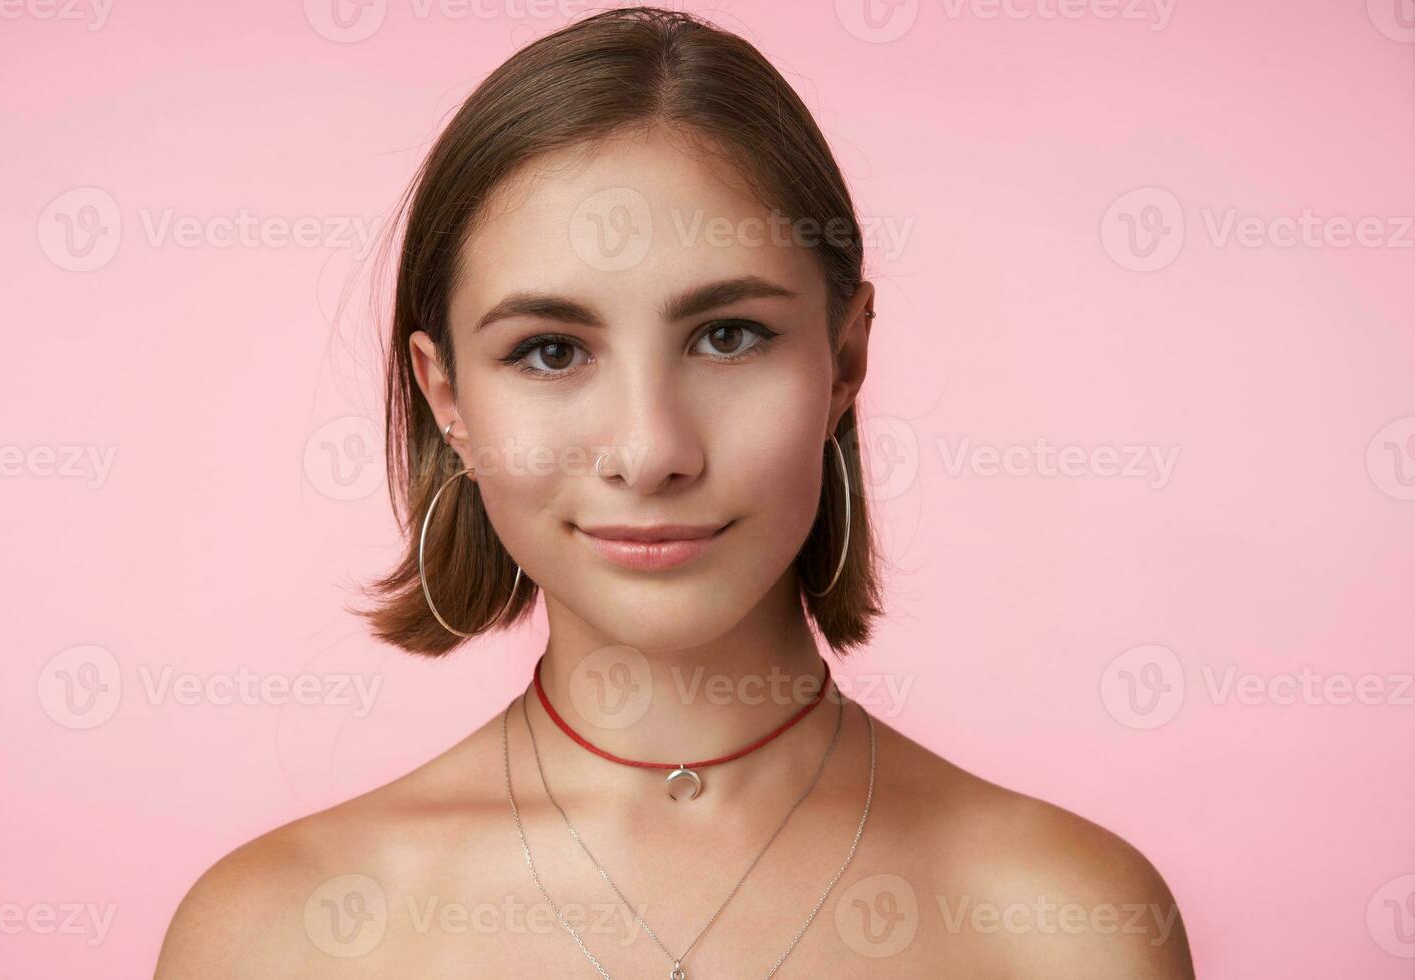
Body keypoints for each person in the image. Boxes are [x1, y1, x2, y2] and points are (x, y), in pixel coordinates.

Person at [155, 7, 1194, 977]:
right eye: (551, 350)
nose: (651, 450)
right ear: (447, 396)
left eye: (728, 335)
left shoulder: (1069, 922)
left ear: (844, 362)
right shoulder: (276, 933)